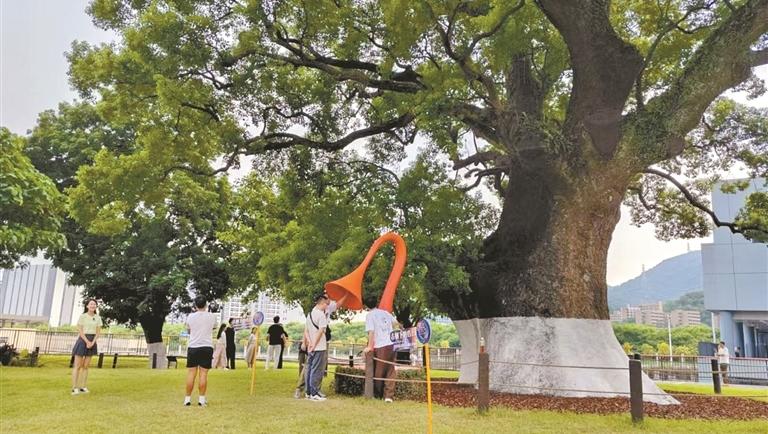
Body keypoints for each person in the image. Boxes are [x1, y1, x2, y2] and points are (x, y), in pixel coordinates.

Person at [184, 296, 217, 406]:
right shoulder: (212, 317)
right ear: (206, 305)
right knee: (203, 374)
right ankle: (201, 400)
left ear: (195, 305)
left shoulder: (190, 317)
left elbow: (188, 329)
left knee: (191, 373)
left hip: (193, 346)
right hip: (207, 347)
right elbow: (214, 328)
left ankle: (187, 399)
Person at [364, 304, 398, 403]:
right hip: (391, 344)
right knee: (390, 370)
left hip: (381, 345)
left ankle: (378, 395)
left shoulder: (370, 315)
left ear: (366, 305)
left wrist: (370, 346)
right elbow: (396, 323)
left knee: (379, 371)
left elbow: (371, 332)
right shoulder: (385, 312)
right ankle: (389, 396)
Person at [71, 299, 102, 395]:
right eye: (91, 304)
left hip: (92, 341)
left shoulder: (98, 318)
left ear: (96, 306)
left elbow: (98, 332)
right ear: (87, 306)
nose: (93, 305)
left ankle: (83, 387)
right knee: (78, 366)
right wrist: (87, 341)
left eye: (94, 304)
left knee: (86, 366)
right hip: (82, 340)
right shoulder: (83, 316)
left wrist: (92, 342)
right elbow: (79, 330)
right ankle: (74, 388)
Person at [305, 294, 329, 401]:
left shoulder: (310, 314)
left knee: (309, 369)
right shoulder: (321, 315)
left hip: (311, 346)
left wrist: (310, 343)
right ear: (322, 303)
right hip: (319, 347)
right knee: (316, 370)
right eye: (326, 304)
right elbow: (320, 331)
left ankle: (308, 392)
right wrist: (314, 344)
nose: (326, 306)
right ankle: (314, 393)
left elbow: (306, 331)